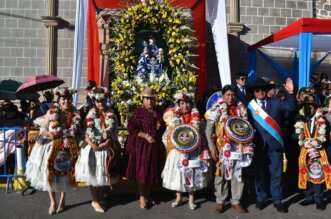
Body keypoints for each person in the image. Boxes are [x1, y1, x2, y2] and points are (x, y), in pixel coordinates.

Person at [25, 87, 81, 215]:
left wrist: (73, 137)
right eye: (63, 99)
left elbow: (78, 131)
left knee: (65, 174)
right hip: (51, 146)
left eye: (69, 99)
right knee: (49, 173)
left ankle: (62, 200)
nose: (66, 101)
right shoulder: (52, 111)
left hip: (67, 147)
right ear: (59, 100)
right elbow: (43, 127)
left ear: (72, 100)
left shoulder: (76, 113)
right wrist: (47, 132)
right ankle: (52, 202)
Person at [248, 77, 296, 213]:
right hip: (259, 146)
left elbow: (291, 107)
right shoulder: (249, 106)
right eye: (257, 90)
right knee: (260, 174)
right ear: (254, 92)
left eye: (263, 89)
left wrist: (291, 93)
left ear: (266, 90)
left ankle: (277, 200)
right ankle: (261, 198)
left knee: (276, 174)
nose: (260, 92)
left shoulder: (275, 102)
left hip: (274, 146)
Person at [205, 85, 254, 214]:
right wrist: (212, 148)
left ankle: (236, 201)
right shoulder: (216, 109)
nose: (230, 97)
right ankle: (220, 201)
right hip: (222, 148)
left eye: (233, 95)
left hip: (238, 147)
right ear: (223, 96)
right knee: (220, 175)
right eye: (227, 95)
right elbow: (208, 130)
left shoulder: (242, 109)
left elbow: (246, 128)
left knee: (237, 174)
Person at [161, 91, 210, 210]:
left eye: (187, 103)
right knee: (179, 173)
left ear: (191, 104)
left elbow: (203, 135)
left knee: (192, 173)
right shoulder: (173, 118)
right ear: (178, 105)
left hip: (194, 151)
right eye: (182, 103)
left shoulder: (198, 119)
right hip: (178, 151)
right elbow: (167, 135)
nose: (185, 106)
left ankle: (191, 199)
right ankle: (178, 198)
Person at [75, 87, 121, 213]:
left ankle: (98, 197)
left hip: (106, 147)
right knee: (93, 175)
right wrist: (92, 144)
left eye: (103, 101)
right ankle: (95, 200)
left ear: (106, 100)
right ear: (94, 101)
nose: (100, 104)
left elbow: (114, 131)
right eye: (97, 101)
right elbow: (85, 132)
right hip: (92, 148)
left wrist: (106, 142)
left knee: (102, 175)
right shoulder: (90, 114)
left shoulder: (111, 113)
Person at [125, 87, 166, 209]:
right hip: (141, 147)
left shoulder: (158, 112)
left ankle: (147, 194)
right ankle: (142, 197)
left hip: (154, 147)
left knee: (150, 172)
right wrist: (146, 136)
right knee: (142, 173)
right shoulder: (138, 113)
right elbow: (132, 129)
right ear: (143, 99)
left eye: (152, 99)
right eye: (147, 99)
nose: (149, 101)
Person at [294, 94, 330, 210]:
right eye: (305, 106)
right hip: (305, 151)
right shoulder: (300, 119)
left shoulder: (322, 120)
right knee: (306, 173)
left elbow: (325, 136)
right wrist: (299, 136)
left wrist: (317, 142)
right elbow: (293, 136)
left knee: (317, 174)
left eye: (310, 106)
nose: (308, 108)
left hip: (318, 151)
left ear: (315, 107)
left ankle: (319, 199)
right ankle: (308, 197)